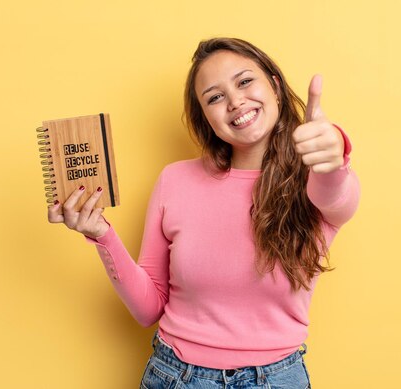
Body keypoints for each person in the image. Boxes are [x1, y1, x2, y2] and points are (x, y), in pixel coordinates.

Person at [48, 37, 361, 388]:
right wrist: (100, 233)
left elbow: (337, 195)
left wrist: (332, 154)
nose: (235, 101)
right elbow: (149, 308)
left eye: (245, 81)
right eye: (215, 97)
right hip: (175, 376)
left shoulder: (316, 180)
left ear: (274, 85)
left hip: (277, 378)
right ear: (206, 117)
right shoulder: (175, 180)